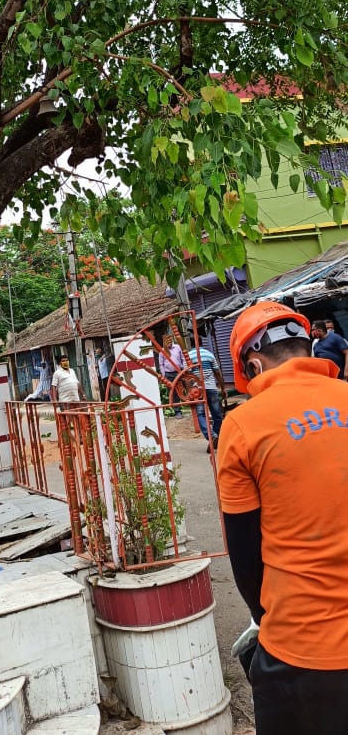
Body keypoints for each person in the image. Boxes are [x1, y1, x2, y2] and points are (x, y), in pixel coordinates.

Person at [218, 299, 348, 735]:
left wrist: (265, 616)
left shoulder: (241, 426)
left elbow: (245, 555)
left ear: (253, 366)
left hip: (301, 655)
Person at [186, 342, 226, 450]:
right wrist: (223, 388)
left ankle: (212, 437)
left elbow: (187, 376)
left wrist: (189, 390)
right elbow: (217, 372)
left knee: (201, 415)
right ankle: (215, 436)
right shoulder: (209, 354)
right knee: (217, 415)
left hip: (197, 391)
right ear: (202, 343)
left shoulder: (189, 356)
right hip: (211, 388)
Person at [158, 338, 186, 417]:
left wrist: (183, 369)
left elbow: (183, 359)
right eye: (166, 341)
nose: (168, 342)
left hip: (179, 372)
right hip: (169, 374)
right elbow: (161, 364)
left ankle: (189, 404)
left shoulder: (177, 347)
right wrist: (164, 375)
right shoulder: (162, 351)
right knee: (173, 392)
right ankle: (178, 411)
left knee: (182, 389)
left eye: (169, 340)